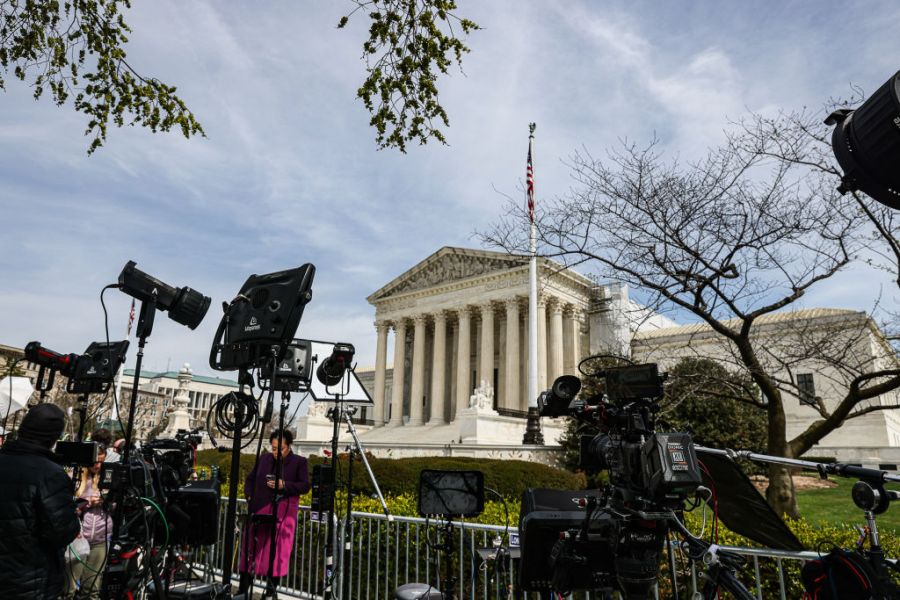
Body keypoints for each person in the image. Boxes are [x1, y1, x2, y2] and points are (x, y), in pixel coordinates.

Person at [0, 403, 81, 599]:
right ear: (54, 437)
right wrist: (72, 514)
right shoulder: (51, 475)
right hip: (28, 582)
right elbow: (61, 532)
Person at [239, 429, 310, 597]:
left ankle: (270, 592)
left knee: (276, 555)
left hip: (282, 515)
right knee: (250, 552)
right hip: (258, 510)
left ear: (289, 446)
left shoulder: (299, 462)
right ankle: (243, 591)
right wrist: (249, 495)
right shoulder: (264, 459)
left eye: (280, 448)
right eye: (274, 448)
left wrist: (284, 485)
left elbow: (305, 486)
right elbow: (250, 479)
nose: (276, 452)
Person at [65, 446, 112, 600]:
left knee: (92, 589)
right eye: (94, 462)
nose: (97, 466)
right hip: (77, 539)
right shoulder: (76, 477)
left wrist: (108, 501)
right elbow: (65, 507)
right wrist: (87, 504)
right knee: (68, 589)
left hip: (100, 539)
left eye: (101, 462)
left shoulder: (108, 477)